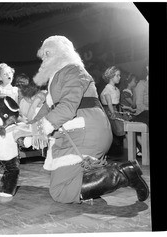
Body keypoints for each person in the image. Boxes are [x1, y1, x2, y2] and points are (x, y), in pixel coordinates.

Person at [30, 35, 149, 204]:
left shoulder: (73, 70)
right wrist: (23, 130)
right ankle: (99, 182)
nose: (44, 59)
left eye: (48, 53)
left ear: (62, 53)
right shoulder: (57, 78)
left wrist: (40, 128)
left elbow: (67, 107)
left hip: (85, 133)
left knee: (60, 191)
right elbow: (44, 111)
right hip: (77, 133)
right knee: (66, 184)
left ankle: (122, 174)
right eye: (43, 55)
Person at [100, 66, 132, 137]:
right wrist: (113, 113)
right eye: (117, 75)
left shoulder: (116, 89)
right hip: (110, 111)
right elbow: (109, 103)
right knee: (123, 128)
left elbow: (118, 103)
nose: (119, 77)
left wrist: (126, 109)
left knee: (128, 128)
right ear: (111, 76)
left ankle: (132, 145)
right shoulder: (107, 90)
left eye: (119, 75)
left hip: (116, 109)